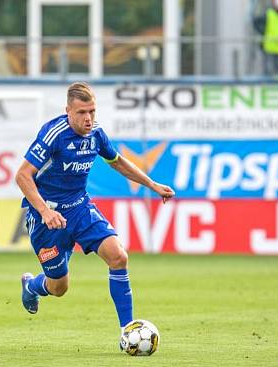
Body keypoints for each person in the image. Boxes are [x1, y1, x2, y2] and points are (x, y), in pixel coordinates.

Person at [15, 82, 175, 335]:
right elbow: (23, 175)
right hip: (48, 218)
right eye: (81, 112)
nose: (88, 118)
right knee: (59, 287)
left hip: (80, 209)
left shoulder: (96, 134)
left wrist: (152, 184)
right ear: (68, 110)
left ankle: (128, 330)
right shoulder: (53, 134)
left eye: (92, 111)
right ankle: (32, 286)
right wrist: (45, 211)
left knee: (118, 256)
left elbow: (117, 162)